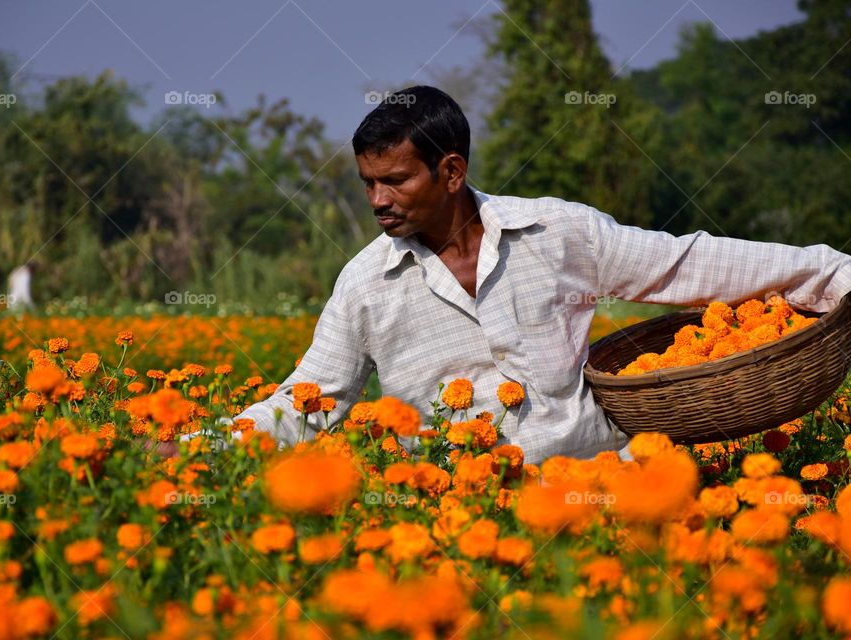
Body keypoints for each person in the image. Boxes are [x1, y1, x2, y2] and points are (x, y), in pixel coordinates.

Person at [180, 85, 851, 464]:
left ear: (450, 172)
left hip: (603, 491)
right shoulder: (365, 285)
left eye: (395, 180)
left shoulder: (558, 233)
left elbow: (692, 263)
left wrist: (834, 275)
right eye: (367, 184)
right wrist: (193, 447)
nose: (377, 200)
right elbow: (306, 402)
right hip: (466, 517)